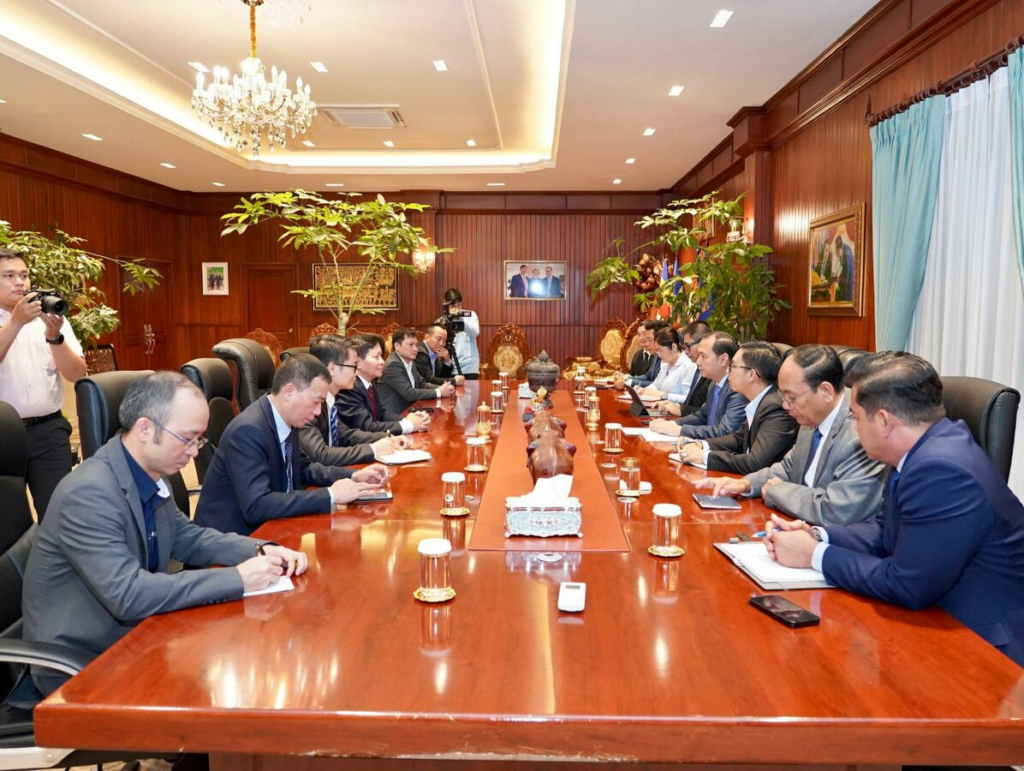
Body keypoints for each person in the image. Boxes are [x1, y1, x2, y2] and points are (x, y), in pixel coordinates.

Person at [21, 372, 307, 696]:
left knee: (241, 656)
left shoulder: (149, 472)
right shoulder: (88, 493)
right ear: (145, 429)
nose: (194, 452)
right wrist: (239, 579)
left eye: (198, 440)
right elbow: (129, 595)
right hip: (81, 661)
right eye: (187, 438)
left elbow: (187, 536)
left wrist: (259, 549)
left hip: (136, 635)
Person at [765, 352, 1024, 666]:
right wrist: (818, 535)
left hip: (982, 650)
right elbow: (884, 528)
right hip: (936, 619)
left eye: (856, 417)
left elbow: (907, 584)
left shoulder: (943, 470)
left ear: (884, 421)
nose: (855, 429)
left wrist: (813, 555)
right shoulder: (923, 451)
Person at [194, 354, 388, 537]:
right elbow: (256, 505)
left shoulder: (287, 418)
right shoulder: (248, 430)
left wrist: (353, 475)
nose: (317, 412)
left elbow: (303, 469)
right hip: (234, 539)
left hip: (276, 526)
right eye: (316, 402)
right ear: (289, 392)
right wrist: (330, 495)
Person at [696, 344, 885, 526]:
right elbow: (788, 468)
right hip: (796, 525)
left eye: (792, 397)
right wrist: (745, 484)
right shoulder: (811, 415)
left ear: (826, 391)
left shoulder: (860, 432)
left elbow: (836, 511)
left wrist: (778, 491)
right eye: (783, 396)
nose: (785, 405)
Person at [0, 247, 87, 519]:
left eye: (24, 275)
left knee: (60, 516)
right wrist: (16, 322)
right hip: (3, 434)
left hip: (48, 431)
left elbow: (77, 374)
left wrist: (54, 337)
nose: (20, 282)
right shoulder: (17, 320)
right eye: (9, 276)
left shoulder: (50, 316)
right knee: (9, 522)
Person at [676, 341, 797, 474]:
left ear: (751, 375)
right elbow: (737, 439)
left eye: (733, 366)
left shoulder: (776, 408)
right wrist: (702, 444)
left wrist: (705, 456)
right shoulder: (761, 400)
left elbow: (754, 463)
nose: (728, 371)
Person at [300, 334, 407, 467]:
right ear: (332, 368)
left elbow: (345, 434)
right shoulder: (308, 405)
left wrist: (388, 438)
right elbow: (320, 455)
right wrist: (373, 450)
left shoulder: (329, 400)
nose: (356, 373)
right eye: (353, 366)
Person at [649, 331, 747, 439]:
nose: (698, 362)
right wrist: (672, 424)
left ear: (723, 359)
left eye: (703, 356)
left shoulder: (738, 390)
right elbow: (702, 416)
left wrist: (680, 430)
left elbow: (724, 432)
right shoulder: (714, 384)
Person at [336, 334, 432, 433]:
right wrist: (409, 425)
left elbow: (381, 413)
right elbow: (367, 427)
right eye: (376, 356)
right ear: (358, 362)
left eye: (381, 356)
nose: (382, 361)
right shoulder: (349, 388)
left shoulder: (370, 381)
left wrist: (407, 420)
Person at [378, 327, 455, 414]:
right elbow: (409, 393)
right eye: (410, 345)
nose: (415, 349)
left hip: (411, 409)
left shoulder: (410, 361)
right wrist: (439, 392)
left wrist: (442, 388)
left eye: (416, 345)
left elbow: (421, 384)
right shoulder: (393, 365)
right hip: (395, 415)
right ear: (397, 346)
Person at [654, 321, 712, 417]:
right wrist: (675, 406)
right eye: (684, 347)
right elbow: (692, 405)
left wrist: (680, 410)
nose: (686, 351)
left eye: (688, 346)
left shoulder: (711, 372)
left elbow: (707, 413)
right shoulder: (697, 367)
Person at [636, 327, 697, 401]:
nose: (658, 354)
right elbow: (656, 385)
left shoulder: (688, 366)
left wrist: (664, 395)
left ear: (674, 347)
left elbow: (687, 399)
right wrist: (643, 390)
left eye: (660, 350)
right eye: (657, 350)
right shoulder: (665, 363)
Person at [613, 320, 667, 390]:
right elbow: (647, 376)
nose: (646, 343)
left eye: (650, 340)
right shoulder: (656, 355)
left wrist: (629, 382)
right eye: (639, 334)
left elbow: (657, 385)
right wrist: (626, 379)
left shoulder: (669, 358)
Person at [442, 288, 480, 379]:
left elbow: (475, 333)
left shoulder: (470, 315)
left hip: (469, 367)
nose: (456, 309)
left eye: (458, 305)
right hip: (450, 366)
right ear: (446, 304)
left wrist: (461, 319)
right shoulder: (442, 320)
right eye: (452, 306)